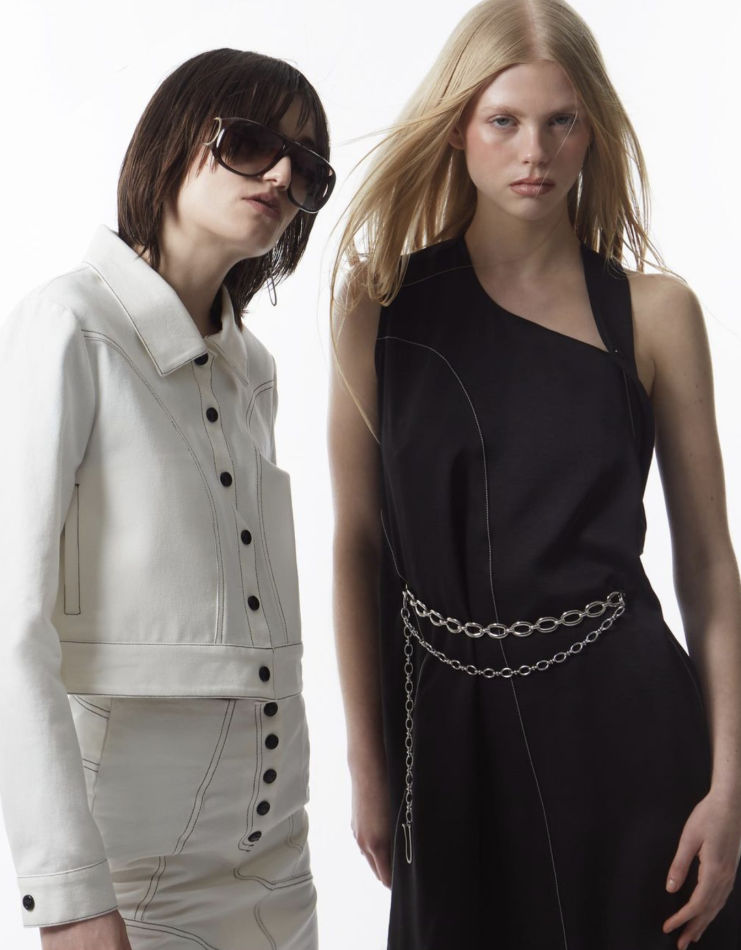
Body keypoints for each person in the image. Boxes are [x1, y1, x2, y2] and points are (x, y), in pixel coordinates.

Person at [328, 1, 741, 947]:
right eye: (503, 120)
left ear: (591, 131)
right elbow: (357, 544)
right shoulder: (378, 308)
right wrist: (368, 765)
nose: (535, 153)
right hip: (448, 746)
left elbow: (707, 564)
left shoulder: (657, 314)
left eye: (562, 122)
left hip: (631, 734)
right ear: (457, 129)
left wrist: (728, 785)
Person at [0, 47, 334, 950]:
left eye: (306, 168)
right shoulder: (68, 326)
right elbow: (9, 624)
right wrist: (67, 892)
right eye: (250, 143)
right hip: (137, 869)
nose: (279, 177)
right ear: (175, 137)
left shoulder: (252, 370)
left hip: (278, 861)